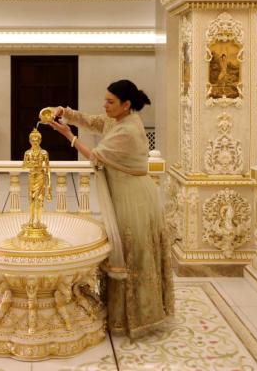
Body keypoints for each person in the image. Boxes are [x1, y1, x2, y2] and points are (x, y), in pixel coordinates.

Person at [47, 79, 174, 337]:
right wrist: (65, 112)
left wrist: (68, 136)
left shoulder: (127, 130)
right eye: (105, 99)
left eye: (110, 102)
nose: (104, 105)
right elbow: (94, 122)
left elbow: (96, 156)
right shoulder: (120, 120)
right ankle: (120, 314)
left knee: (131, 254)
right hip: (126, 193)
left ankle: (136, 318)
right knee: (125, 252)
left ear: (126, 105)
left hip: (133, 199)